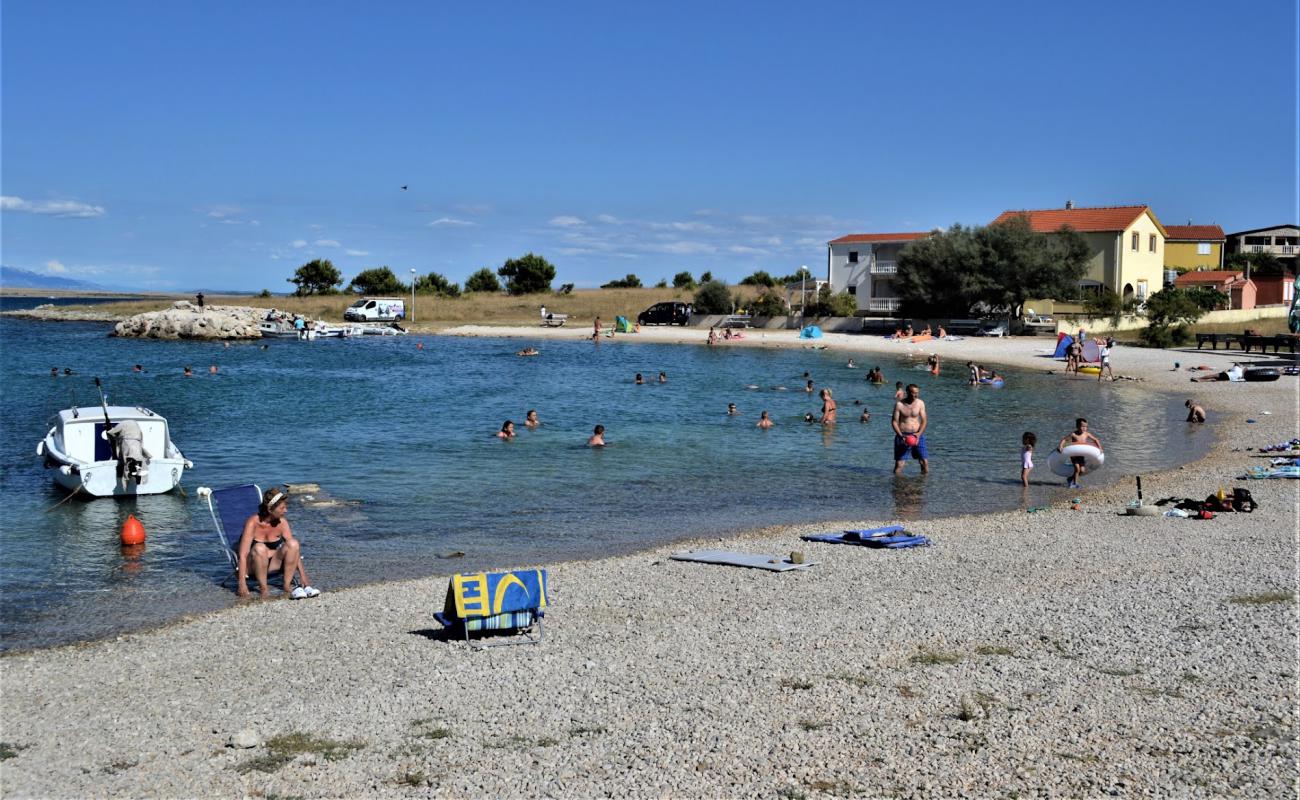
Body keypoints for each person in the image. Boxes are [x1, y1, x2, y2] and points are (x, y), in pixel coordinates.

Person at [236, 487, 318, 599]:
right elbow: (243, 555)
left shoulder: (282, 523)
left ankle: (287, 585)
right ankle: (264, 588)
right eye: (282, 508)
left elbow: (295, 552)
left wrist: (303, 577)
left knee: (293, 543)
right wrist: (242, 583)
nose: (286, 511)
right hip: (253, 567)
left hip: (274, 565)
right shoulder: (252, 523)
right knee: (259, 547)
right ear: (270, 509)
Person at [891, 383, 929, 475]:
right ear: (908, 392)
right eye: (914, 393)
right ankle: (897, 486)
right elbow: (894, 422)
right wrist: (901, 436)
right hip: (903, 435)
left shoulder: (920, 403)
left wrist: (919, 434)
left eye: (917, 393)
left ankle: (924, 485)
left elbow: (924, 420)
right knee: (900, 464)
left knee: (924, 462)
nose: (916, 395)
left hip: (918, 435)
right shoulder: (899, 405)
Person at [1056, 418, 1102, 489]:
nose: (1084, 428)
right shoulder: (1073, 434)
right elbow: (1064, 439)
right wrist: (1060, 446)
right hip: (1074, 455)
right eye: (1082, 426)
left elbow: (1095, 439)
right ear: (1077, 426)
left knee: (1082, 470)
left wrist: (1100, 448)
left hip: (1081, 455)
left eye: (1086, 427)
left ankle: (1070, 478)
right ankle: (1075, 484)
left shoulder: (1087, 434)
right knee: (1077, 469)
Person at [103, 419, 149, 486]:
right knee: (136, 459)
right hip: (137, 445)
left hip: (127, 446)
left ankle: (127, 477)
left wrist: (108, 430)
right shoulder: (136, 427)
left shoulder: (120, 426)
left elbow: (111, 433)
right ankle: (137, 480)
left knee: (126, 460)